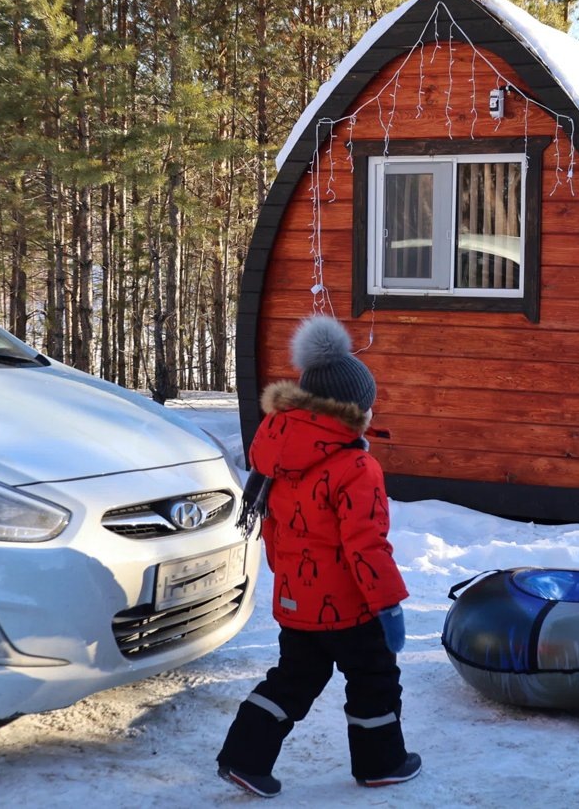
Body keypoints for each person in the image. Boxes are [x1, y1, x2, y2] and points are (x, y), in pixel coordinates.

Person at [216, 315, 420, 797]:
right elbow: (366, 545)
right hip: (351, 607)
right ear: (350, 412)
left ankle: (244, 758)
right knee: (374, 680)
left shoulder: (277, 457)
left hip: (297, 603)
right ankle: (381, 762)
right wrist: (387, 605)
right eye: (366, 408)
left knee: (292, 680)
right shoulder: (356, 466)